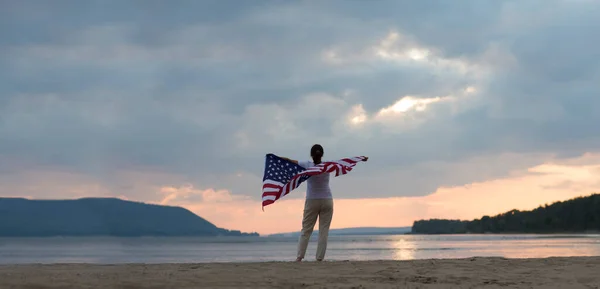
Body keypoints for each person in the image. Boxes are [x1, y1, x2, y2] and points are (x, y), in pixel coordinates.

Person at [280, 144, 368, 262]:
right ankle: (319, 258)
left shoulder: (307, 164)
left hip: (312, 200)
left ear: (311, 155)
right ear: (322, 154)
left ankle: (299, 257)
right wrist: (361, 158)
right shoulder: (328, 165)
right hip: (327, 200)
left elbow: (290, 161)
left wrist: (276, 158)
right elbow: (344, 161)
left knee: (306, 230)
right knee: (323, 231)